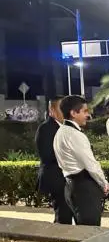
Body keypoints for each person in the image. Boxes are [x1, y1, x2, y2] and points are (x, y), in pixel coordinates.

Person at [53, 95, 109, 226]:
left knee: (82, 231)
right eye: (85, 111)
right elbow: (90, 164)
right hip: (84, 189)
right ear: (73, 113)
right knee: (91, 232)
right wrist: (104, 183)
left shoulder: (60, 132)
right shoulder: (75, 135)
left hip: (70, 186)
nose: (88, 115)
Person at [35, 96, 73, 224]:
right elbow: (46, 155)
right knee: (63, 213)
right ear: (52, 109)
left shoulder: (65, 127)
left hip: (65, 178)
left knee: (66, 212)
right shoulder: (45, 128)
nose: (65, 111)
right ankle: (60, 239)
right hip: (55, 177)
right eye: (61, 108)